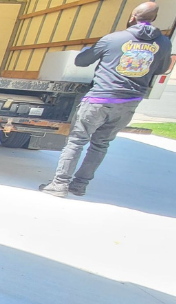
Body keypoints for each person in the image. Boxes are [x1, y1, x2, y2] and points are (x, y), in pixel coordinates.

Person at [39, 2, 171, 197]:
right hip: (129, 103)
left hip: (100, 99)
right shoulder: (164, 43)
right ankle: (79, 185)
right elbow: (160, 69)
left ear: (132, 16)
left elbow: (81, 61)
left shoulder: (113, 39)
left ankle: (60, 184)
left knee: (77, 141)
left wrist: (88, 50)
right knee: (101, 144)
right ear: (154, 19)